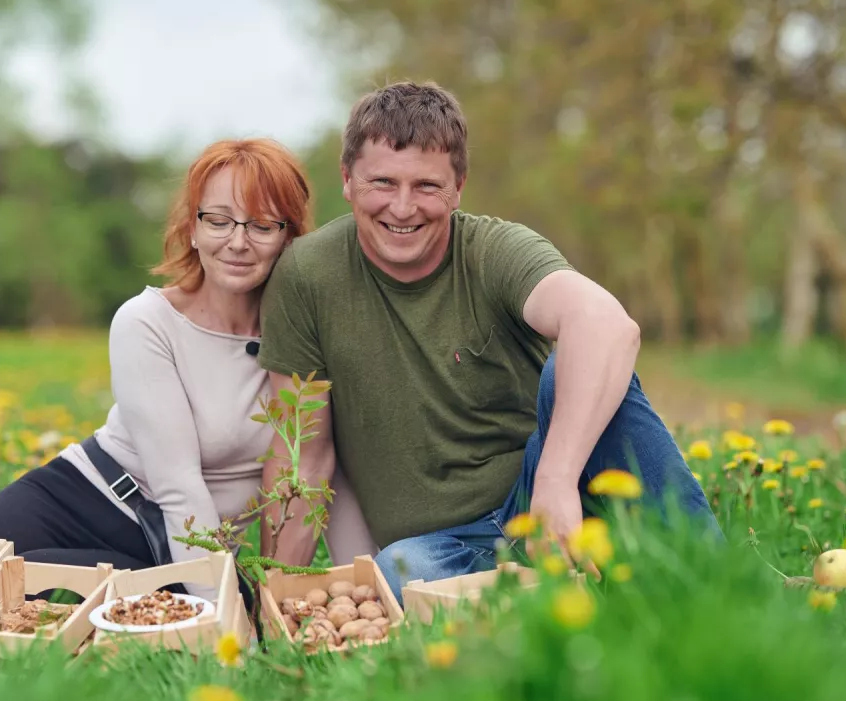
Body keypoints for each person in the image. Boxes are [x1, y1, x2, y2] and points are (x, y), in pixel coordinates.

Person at [253, 81, 721, 603]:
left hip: (549, 495)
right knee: (394, 573)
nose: (403, 208)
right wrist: (275, 597)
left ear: (459, 187)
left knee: (583, 360)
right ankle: (585, 587)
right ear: (347, 180)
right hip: (444, 547)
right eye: (382, 182)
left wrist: (556, 480)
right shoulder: (307, 276)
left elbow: (609, 324)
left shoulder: (495, 249)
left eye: (427, 187)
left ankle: (715, 580)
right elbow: (303, 456)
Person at [0, 138, 377, 601]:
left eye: (262, 224)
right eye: (219, 220)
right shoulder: (147, 321)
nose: (238, 242)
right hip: (82, 499)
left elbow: (324, 465)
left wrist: (367, 585)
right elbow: (178, 484)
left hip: (172, 544)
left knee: (17, 597)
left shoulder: (303, 335)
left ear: (290, 235)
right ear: (193, 227)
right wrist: (224, 617)